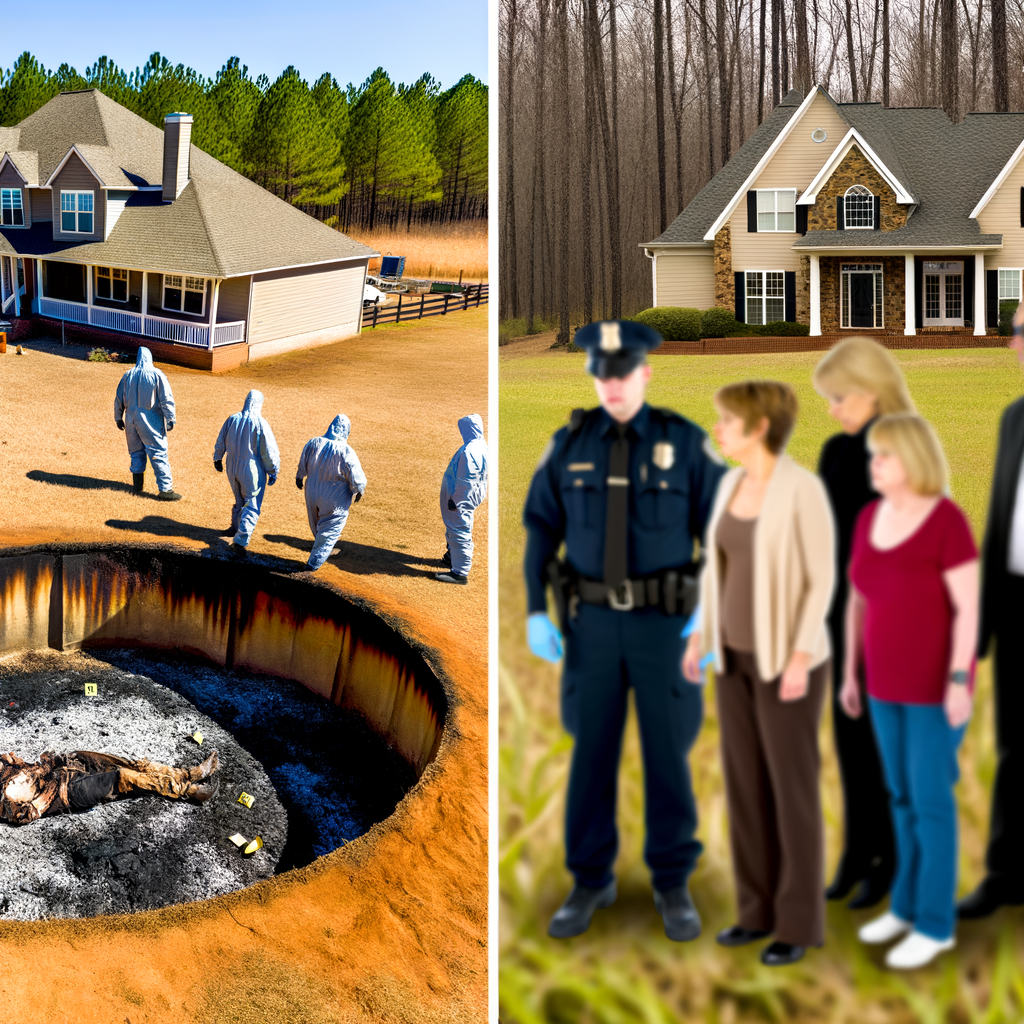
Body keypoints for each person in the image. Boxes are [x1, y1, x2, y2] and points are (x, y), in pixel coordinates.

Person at [522, 319, 726, 942]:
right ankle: (590, 880)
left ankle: (671, 883)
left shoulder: (684, 445)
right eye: (601, 372)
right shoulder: (569, 446)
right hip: (593, 629)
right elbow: (541, 533)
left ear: (645, 372)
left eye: (623, 371)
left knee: (667, 755)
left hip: (667, 626)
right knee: (593, 753)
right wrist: (536, 610)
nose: (611, 383)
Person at [682, 381, 835, 967]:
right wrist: (699, 637)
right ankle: (756, 912)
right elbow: (715, 571)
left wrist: (799, 657)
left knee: (789, 790)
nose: (718, 429)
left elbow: (820, 580)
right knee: (745, 783)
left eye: (727, 421)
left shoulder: (803, 492)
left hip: (788, 662)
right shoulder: (731, 489)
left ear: (761, 427)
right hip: (736, 658)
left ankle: (798, 923)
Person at [842, 413, 977, 969]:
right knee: (897, 797)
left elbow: (968, 606)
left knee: (930, 803)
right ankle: (904, 904)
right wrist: (851, 673)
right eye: (873, 456)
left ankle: (935, 923)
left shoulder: (947, 521)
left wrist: (959, 679)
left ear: (912, 459)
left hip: (932, 690)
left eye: (883, 457)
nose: (873, 465)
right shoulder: (870, 516)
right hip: (881, 687)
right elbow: (858, 600)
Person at [812, 337, 915, 909]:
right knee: (851, 744)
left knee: (886, 749)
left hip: (890, 620)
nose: (832, 407)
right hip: (839, 618)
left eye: (840, 396)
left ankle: (891, 861)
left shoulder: (904, 450)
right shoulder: (836, 452)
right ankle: (857, 854)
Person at [959, 302, 1024, 919]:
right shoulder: (1014, 419)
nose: (1013, 345)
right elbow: (1002, 521)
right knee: (1014, 747)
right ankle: (1007, 875)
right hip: (1012, 603)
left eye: (1022, 332)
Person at [1, 748, 220, 825]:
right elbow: (24, 815)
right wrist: (44, 796)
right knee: (125, 777)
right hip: (69, 792)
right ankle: (186, 790)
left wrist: (37, 766)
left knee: (129, 764)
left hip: (67, 766)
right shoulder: (5, 798)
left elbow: (27, 766)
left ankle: (190, 773)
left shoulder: (4, 766)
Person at [296, 414, 367, 571]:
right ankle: (313, 564)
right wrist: (359, 489)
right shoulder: (346, 451)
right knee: (331, 527)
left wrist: (299, 477)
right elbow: (354, 473)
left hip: (312, 490)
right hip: (335, 494)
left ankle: (320, 548)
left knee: (316, 522)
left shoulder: (314, 442)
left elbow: (303, 461)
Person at [213, 390, 281, 551]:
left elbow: (221, 439)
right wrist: (273, 470)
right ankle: (241, 539)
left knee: (239, 498)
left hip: (232, 465)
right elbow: (268, 451)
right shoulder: (260, 423)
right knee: (252, 503)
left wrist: (217, 457)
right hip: (251, 468)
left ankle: (234, 527)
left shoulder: (232, 419)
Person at [113, 346, 181, 501]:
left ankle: (137, 487)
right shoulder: (157, 375)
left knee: (136, 452)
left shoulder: (128, 375)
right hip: (151, 421)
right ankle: (165, 490)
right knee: (158, 452)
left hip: (131, 421)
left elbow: (118, 398)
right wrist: (170, 418)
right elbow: (166, 398)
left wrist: (118, 417)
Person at [436, 415, 489, 585]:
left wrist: (455, 499)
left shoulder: (471, 450)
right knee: (458, 525)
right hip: (470, 494)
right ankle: (453, 555)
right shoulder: (482, 446)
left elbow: (466, 479)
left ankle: (459, 573)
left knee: (459, 528)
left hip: (460, 496)